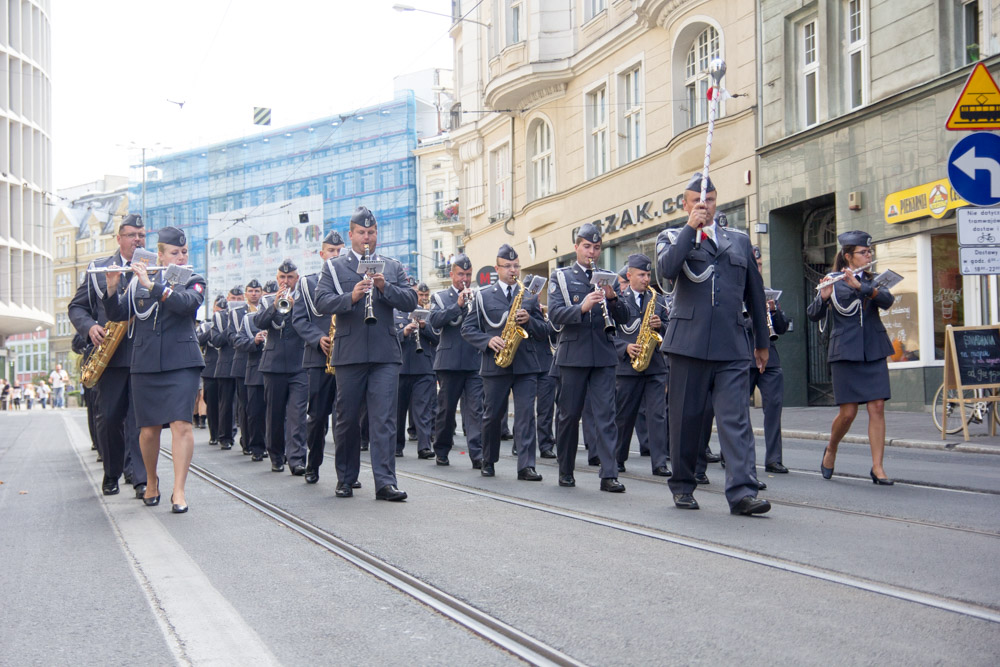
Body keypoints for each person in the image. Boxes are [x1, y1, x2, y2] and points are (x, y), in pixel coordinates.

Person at [656, 172, 771, 515]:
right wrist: (691, 228)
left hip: (732, 344)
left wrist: (761, 341)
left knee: (736, 420)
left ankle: (742, 492)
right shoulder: (672, 236)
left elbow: (755, 291)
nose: (703, 206)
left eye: (708, 201)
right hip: (688, 344)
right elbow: (666, 271)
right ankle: (683, 485)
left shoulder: (737, 240)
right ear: (685, 203)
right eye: (696, 202)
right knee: (686, 420)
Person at [313, 206, 417, 501]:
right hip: (349, 352)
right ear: (351, 235)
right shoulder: (334, 267)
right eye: (361, 233)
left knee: (384, 419)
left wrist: (385, 288)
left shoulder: (392, 266)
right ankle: (346, 478)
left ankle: (385, 482)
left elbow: (410, 299)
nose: (367, 238)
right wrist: (352, 297)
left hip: (385, 352)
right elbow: (321, 302)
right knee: (346, 419)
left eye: (371, 233)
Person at [103, 225, 205, 513]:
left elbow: (187, 304)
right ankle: (151, 481)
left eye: (184, 252)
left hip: (182, 363)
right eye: (175, 252)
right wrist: (112, 286)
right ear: (160, 254)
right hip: (146, 363)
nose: (182, 257)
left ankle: (179, 491)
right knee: (147, 431)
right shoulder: (138, 281)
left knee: (181, 425)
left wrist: (153, 286)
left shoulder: (193, 279)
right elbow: (117, 315)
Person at [807, 230, 895, 485]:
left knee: (877, 406)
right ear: (848, 256)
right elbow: (813, 314)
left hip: (874, 349)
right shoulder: (832, 280)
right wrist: (823, 298)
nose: (869, 255)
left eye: (870, 252)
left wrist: (863, 288)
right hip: (845, 352)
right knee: (848, 413)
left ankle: (878, 467)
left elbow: (887, 301)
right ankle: (832, 448)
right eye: (863, 252)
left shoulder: (873, 280)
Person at [548, 223, 630, 491]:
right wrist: (582, 307)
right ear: (576, 248)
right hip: (573, 356)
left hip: (604, 356)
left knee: (607, 415)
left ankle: (609, 474)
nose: (592, 252)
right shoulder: (561, 277)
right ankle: (566, 469)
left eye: (596, 248)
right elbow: (555, 315)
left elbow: (626, 318)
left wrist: (613, 298)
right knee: (569, 415)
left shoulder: (609, 278)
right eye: (587, 247)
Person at [462, 244, 547, 480]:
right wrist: (488, 341)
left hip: (526, 365)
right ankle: (488, 460)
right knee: (492, 415)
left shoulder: (528, 295)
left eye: (516, 266)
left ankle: (526, 466)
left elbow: (544, 330)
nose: (513, 270)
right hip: (495, 364)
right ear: (497, 269)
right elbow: (467, 329)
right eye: (508, 266)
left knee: (526, 416)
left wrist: (530, 320)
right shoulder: (483, 295)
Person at [292, 231, 345, 484]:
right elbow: (299, 320)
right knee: (317, 416)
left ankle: (346, 473)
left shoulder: (353, 279)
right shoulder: (308, 283)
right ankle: (313, 464)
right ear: (321, 254)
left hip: (348, 356)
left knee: (347, 418)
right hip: (318, 358)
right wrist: (317, 338)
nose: (335, 255)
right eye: (330, 251)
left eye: (339, 251)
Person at [612, 253, 671, 477]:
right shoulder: (618, 300)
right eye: (641, 275)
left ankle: (659, 462)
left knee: (658, 415)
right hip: (628, 368)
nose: (646, 279)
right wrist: (624, 348)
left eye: (648, 274)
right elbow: (608, 334)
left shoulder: (658, 299)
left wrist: (661, 326)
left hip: (655, 365)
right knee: (625, 415)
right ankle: (618, 458)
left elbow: (670, 328)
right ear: (629, 275)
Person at [428, 253, 484, 468]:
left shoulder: (478, 296)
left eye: (468, 274)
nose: (465, 279)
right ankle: (441, 449)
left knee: (475, 409)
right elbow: (434, 321)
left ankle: (477, 454)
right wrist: (458, 305)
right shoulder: (440, 297)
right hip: (449, 363)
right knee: (446, 410)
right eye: (461, 274)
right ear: (452, 275)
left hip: (473, 361)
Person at [255, 259, 309, 475]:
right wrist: (274, 305)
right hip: (273, 365)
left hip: (299, 364)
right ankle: (276, 455)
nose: (286, 281)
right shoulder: (267, 299)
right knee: (274, 415)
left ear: (297, 278)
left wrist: (296, 309)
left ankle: (296, 459)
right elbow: (259, 322)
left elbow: (310, 324)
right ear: (277, 279)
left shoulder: (304, 299)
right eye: (282, 277)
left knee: (297, 414)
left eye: (290, 277)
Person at [748, 245, 790, 474]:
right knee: (736, 410)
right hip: (743, 357)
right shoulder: (736, 292)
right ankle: (733, 455)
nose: (758, 268)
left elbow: (782, 328)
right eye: (755, 264)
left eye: (761, 264)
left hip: (770, 359)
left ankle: (773, 459)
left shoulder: (768, 292)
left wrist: (773, 311)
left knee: (773, 408)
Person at [394, 292, 438, 458]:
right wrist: (404, 333)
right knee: (398, 411)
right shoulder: (392, 313)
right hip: (400, 368)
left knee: (423, 410)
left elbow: (437, 338)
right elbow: (388, 339)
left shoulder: (425, 313)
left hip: (423, 368)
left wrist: (423, 327)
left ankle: (424, 446)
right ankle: (397, 446)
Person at [210, 287, 242, 450]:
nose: (236, 302)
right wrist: (230, 329)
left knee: (246, 404)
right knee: (226, 403)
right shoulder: (220, 317)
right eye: (233, 298)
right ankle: (225, 436)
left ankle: (249, 439)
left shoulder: (248, 313)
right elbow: (216, 340)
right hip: (226, 365)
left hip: (245, 364)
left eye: (239, 298)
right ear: (228, 299)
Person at [197, 296, 227, 447]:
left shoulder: (232, 323)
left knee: (226, 403)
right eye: (218, 309)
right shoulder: (206, 326)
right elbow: (199, 340)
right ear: (214, 309)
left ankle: (226, 434)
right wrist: (213, 330)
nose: (221, 311)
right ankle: (214, 433)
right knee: (212, 403)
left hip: (226, 368)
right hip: (210, 369)